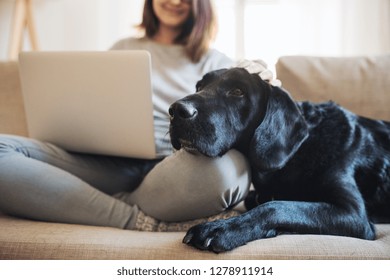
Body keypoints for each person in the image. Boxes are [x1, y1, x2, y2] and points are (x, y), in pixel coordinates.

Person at [0, 0, 251, 230]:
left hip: (171, 168)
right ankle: (135, 218)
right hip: (107, 162)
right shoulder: (123, 48)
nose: (175, 2)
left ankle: (90, 201)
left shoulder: (217, 63)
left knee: (226, 171)